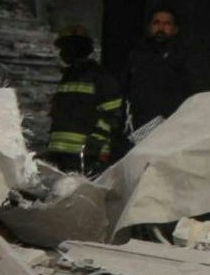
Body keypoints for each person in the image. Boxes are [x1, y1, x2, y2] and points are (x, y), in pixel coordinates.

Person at [43, 28, 123, 172]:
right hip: (60, 154)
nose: (64, 52)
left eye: (70, 46)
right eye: (64, 47)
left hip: (86, 154)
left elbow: (113, 116)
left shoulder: (101, 78)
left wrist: (96, 144)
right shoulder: (67, 77)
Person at [127, 9, 195, 130]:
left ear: (175, 29)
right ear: (149, 27)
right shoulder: (135, 56)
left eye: (167, 23)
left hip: (173, 125)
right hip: (140, 127)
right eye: (156, 23)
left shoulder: (185, 58)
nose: (161, 27)